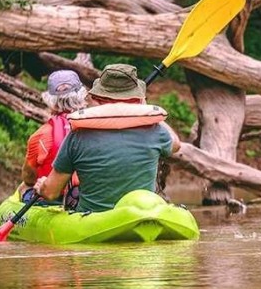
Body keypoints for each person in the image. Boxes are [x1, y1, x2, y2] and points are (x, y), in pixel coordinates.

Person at [34, 64, 180, 213]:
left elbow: (51, 193)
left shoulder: (77, 135)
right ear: (137, 97)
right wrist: (148, 112)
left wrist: (42, 185)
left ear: (98, 97)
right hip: (143, 214)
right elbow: (176, 144)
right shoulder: (156, 131)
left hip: (93, 218)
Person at [19, 69, 88, 207]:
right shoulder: (95, 128)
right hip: (86, 196)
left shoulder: (39, 136)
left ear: (52, 102)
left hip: (52, 198)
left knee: (23, 187)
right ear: (82, 96)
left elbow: (29, 177)